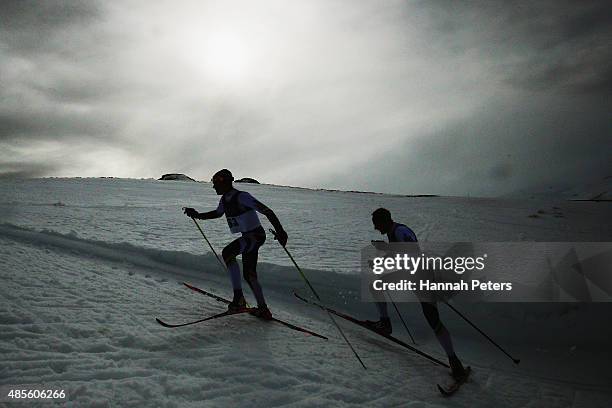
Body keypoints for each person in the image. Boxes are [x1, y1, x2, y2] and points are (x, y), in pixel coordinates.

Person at [368, 207, 467, 380]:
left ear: (384, 221)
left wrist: (385, 250)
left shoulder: (400, 232)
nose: (376, 228)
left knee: (432, 319)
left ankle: (454, 361)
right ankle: (454, 361)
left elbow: (411, 254)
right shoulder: (396, 232)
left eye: (377, 224)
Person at [183, 169, 288, 320]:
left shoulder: (242, 196)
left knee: (228, 253)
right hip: (250, 237)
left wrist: (281, 231)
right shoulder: (225, 199)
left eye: (215, 184)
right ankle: (263, 309)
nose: (213, 187)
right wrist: (197, 215)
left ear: (223, 182)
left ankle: (239, 300)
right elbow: (217, 214)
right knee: (249, 274)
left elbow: (267, 211)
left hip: (255, 236)